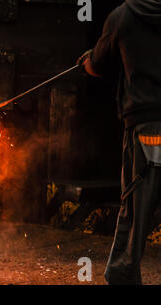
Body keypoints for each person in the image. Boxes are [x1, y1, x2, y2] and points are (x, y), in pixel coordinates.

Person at [77, 0, 161, 284]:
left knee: (136, 206)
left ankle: (123, 274)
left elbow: (98, 64)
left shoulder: (123, 16)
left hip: (146, 125)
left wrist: (86, 61)